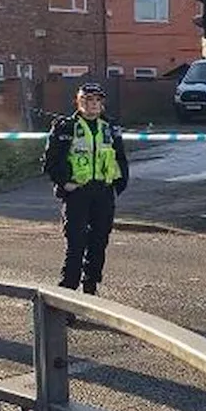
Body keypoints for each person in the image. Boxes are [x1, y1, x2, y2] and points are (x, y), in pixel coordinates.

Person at [42, 82, 129, 296]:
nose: (93, 105)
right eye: (88, 100)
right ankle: (68, 294)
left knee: (99, 242)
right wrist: (64, 183)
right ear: (79, 103)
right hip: (77, 194)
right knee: (76, 245)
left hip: (103, 193)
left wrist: (118, 184)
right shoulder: (66, 127)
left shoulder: (109, 127)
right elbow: (50, 161)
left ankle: (91, 288)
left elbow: (119, 157)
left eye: (97, 101)